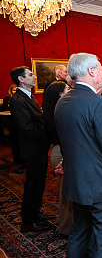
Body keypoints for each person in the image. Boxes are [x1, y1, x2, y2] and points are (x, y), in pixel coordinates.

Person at [55, 53, 102, 257]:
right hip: (101, 184)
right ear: (91, 71)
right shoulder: (99, 103)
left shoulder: (63, 101)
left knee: (80, 232)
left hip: (76, 181)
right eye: (100, 68)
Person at [9, 66, 52, 233]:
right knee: (32, 184)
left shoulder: (28, 96)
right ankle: (28, 221)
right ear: (21, 79)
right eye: (30, 75)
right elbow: (26, 128)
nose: (34, 77)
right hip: (32, 149)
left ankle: (35, 214)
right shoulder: (18, 100)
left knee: (38, 183)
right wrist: (45, 139)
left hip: (37, 148)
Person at [42, 81, 73, 237]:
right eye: (68, 89)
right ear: (60, 94)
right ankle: (67, 229)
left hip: (58, 151)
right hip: (63, 153)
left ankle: (68, 227)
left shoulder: (51, 112)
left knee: (67, 191)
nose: (71, 90)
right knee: (68, 193)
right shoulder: (60, 113)